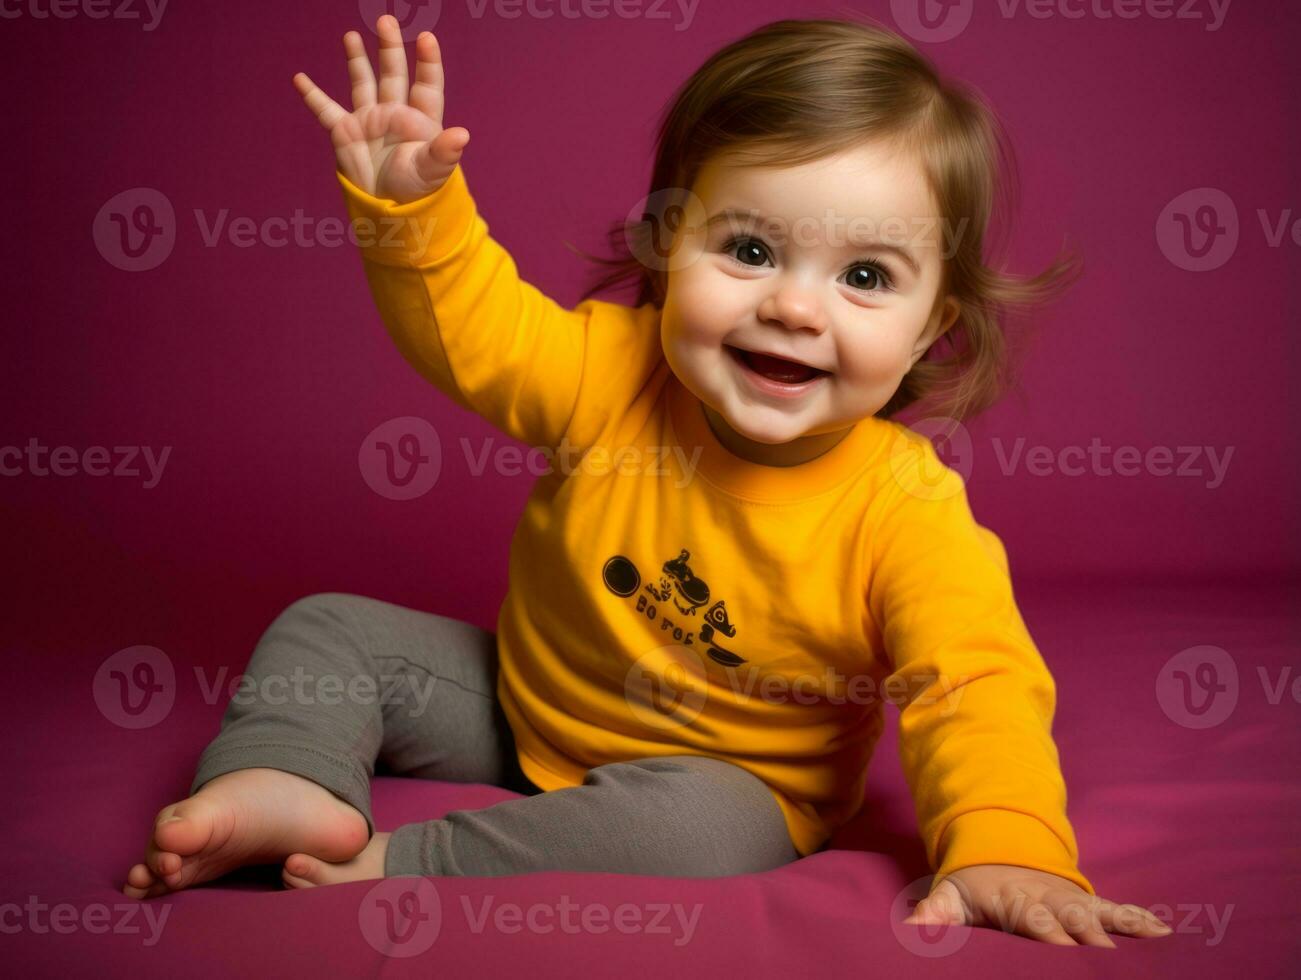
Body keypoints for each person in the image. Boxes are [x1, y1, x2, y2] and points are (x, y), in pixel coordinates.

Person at [122, 14, 1172, 947]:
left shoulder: (902, 510)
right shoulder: (610, 370)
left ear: (928, 327)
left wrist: (1004, 840)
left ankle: (410, 856)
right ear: (670, 249)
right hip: (523, 706)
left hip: (731, 783)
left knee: (696, 830)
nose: (796, 310)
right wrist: (413, 214)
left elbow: (973, 683)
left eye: (862, 276)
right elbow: (477, 333)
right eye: (750, 248)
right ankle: (284, 779)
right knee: (331, 629)